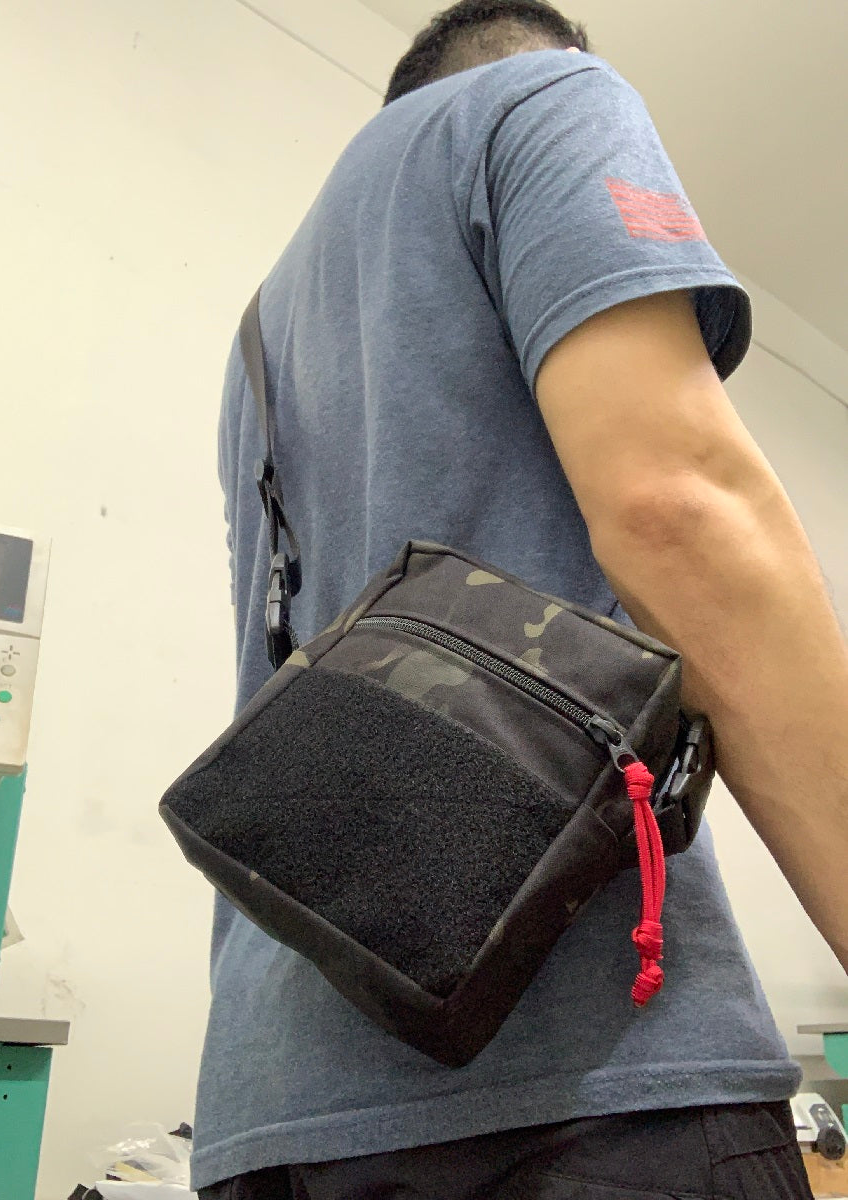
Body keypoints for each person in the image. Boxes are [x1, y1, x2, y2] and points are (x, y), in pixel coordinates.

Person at [194, 2, 848, 1196]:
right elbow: (681, 511)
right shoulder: (544, 97)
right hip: (581, 1086)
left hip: (277, 1105)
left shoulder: (262, 332)